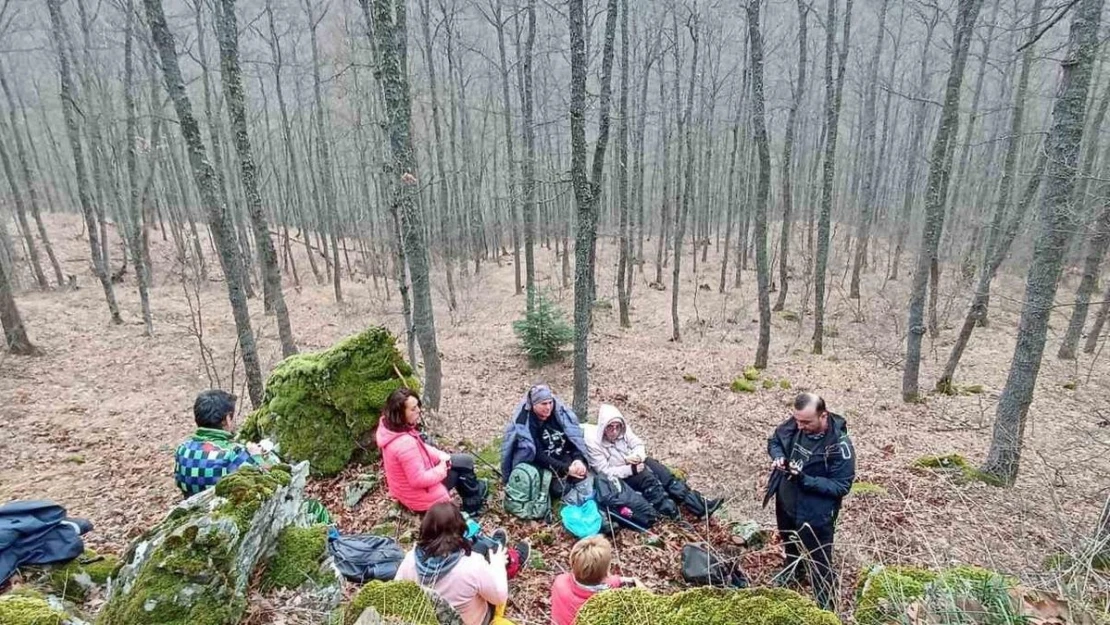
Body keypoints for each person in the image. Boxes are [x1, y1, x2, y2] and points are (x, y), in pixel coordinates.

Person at [763, 392, 855, 611]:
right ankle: (794, 571)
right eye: (797, 420)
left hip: (816, 514)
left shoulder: (839, 446)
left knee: (820, 562)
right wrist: (778, 456)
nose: (800, 426)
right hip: (786, 502)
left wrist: (805, 480)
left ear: (823, 416)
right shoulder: (796, 423)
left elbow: (841, 486)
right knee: (790, 544)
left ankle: (826, 608)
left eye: (806, 422)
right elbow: (775, 440)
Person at [395, 502, 529, 625]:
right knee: (494, 567)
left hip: (427, 619)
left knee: (481, 552)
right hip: (475, 621)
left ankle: (494, 547)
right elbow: (499, 597)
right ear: (461, 530)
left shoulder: (410, 560)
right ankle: (508, 557)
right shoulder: (471, 565)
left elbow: (396, 592)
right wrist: (498, 565)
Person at [584, 404, 723, 519]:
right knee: (647, 479)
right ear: (603, 426)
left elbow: (638, 444)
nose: (614, 431)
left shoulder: (624, 431)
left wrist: (638, 456)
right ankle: (672, 515)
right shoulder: (594, 443)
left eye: (617, 426)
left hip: (634, 464)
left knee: (664, 473)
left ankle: (700, 506)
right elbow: (604, 472)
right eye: (610, 427)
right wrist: (630, 470)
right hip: (619, 477)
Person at [377, 388, 488, 515]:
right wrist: (442, 469)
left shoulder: (391, 429)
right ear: (400, 414)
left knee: (464, 461)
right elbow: (418, 479)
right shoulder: (404, 443)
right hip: (420, 497)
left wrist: (441, 455)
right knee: (463, 467)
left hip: (407, 490)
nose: (418, 410)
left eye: (417, 406)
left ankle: (474, 492)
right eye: (413, 409)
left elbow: (420, 447)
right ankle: (473, 505)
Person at [174, 390, 274, 497]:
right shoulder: (233, 454)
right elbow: (272, 476)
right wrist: (257, 456)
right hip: (222, 511)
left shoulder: (182, 450)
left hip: (191, 510)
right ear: (227, 419)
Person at [500, 384, 591, 499]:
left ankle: (586, 500)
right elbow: (538, 455)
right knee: (559, 488)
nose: (548, 407)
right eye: (543, 404)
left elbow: (572, 441)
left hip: (559, 456)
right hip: (540, 465)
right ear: (534, 405)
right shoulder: (527, 425)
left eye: (550, 403)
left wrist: (578, 460)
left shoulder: (559, 417)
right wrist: (566, 469)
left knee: (581, 473)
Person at [550, 535, 641, 625]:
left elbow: (606, 583)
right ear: (607, 571)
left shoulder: (559, 581)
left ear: (572, 562)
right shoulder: (604, 605)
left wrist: (619, 581)